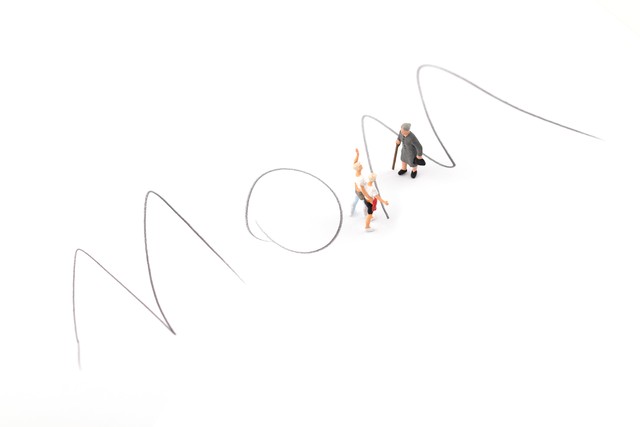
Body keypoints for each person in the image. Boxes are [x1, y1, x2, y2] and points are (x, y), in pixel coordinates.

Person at [351, 148, 368, 216]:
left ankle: (351, 212)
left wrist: (357, 155)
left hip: (357, 190)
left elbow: (355, 162)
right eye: (360, 165)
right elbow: (362, 188)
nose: (361, 165)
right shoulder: (360, 178)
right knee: (365, 203)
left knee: (355, 201)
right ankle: (366, 214)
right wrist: (367, 195)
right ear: (358, 168)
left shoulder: (357, 173)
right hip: (361, 192)